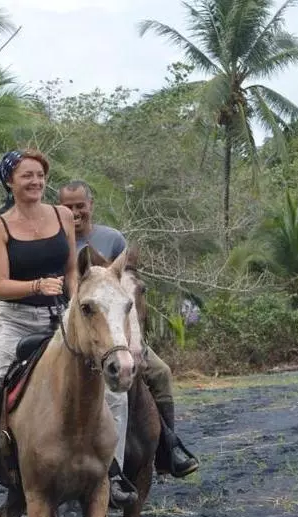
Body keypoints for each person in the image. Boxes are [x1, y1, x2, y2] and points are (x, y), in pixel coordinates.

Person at [0, 150, 138, 508]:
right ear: (10, 181)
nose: (35, 181)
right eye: (27, 175)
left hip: (62, 318)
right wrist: (37, 286)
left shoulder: (61, 216)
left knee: (116, 388)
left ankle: (111, 468)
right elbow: (0, 284)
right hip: (14, 321)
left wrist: (77, 303)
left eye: (40, 175)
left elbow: (72, 270)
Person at [59, 180, 199, 478]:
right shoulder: (55, 243)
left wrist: (132, 335)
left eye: (80, 206)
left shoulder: (112, 239)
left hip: (114, 330)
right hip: (72, 329)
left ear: (90, 205)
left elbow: (127, 288)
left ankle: (168, 448)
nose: (75, 212)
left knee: (160, 372)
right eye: (68, 207)